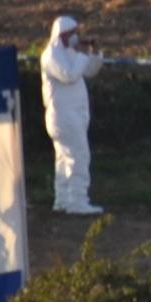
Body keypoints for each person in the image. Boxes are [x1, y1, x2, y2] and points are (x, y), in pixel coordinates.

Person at [39, 15, 105, 215]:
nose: (76, 37)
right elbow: (69, 75)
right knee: (78, 156)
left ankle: (63, 200)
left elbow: (90, 71)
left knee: (64, 159)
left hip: (73, 116)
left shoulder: (70, 53)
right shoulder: (51, 55)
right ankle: (78, 201)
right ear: (62, 35)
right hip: (63, 116)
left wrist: (94, 53)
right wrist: (81, 54)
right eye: (72, 33)